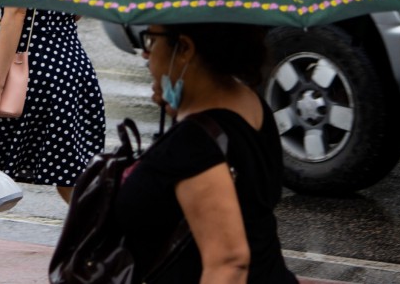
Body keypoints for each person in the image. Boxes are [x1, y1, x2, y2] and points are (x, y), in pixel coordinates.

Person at [115, 22, 298, 283]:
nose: (146, 53)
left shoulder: (193, 143)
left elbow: (228, 264)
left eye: (151, 41)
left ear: (185, 49)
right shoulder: (247, 101)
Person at [0, 7, 106, 284]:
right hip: (69, 65)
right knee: (74, 179)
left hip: (32, 68)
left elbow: (17, 12)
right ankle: (127, 248)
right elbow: (77, 11)